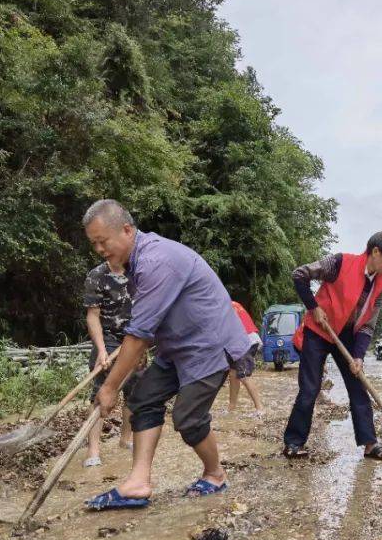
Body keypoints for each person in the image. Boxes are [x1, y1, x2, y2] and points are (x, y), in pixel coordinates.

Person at [81, 199, 254, 510]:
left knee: (187, 417)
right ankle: (138, 482)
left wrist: (109, 388)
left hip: (208, 345)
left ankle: (215, 474)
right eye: (94, 244)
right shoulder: (136, 262)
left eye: (102, 241)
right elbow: (144, 327)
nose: (99, 250)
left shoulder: (157, 261)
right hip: (177, 346)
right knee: (143, 398)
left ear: (126, 229)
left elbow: (138, 336)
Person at [283, 232, 382, 461]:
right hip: (318, 330)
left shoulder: (380, 286)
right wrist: (314, 307)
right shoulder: (340, 263)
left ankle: (370, 444)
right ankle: (293, 443)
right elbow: (299, 275)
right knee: (310, 388)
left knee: (358, 386)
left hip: (345, 335)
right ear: (376, 251)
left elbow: (367, 327)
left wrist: (358, 357)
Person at [82, 259, 137, 467]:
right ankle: (93, 451)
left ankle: (126, 439)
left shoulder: (138, 272)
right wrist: (102, 349)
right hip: (108, 340)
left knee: (134, 392)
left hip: (135, 339)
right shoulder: (97, 275)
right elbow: (92, 315)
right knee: (101, 392)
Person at [227, 300, 264, 414]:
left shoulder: (221, 307)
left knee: (243, 375)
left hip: (245, 340)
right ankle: (231, 407)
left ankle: (260, 409)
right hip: (243, 340)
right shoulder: (232, 303)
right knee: (233, 375)